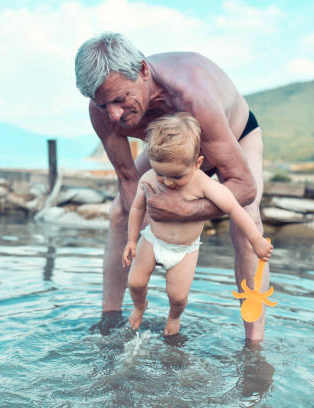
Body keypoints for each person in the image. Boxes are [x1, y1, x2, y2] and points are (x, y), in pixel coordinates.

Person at [75, 32, 269, 343]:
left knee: (246, 225)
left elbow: (244, 187)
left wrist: (184, 211)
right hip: (167, 151)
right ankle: (109, 321)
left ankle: (254, 343)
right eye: (102, 103)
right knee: (119, 214)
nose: (113, 114)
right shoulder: (102, 112)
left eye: (120, 99)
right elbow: (127, 178)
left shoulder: (191, 95)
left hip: (233, 137)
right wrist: (149, 234)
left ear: (142, 71)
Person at [121, 113, 273, 336]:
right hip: (152, 241)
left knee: (178, 296)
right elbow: (137, 208)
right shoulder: (149, 179)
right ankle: (139, 306)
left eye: (176, 177)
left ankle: (174, 316)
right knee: (134, 282)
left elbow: (234, 209)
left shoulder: (203, 184)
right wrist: (132, 240)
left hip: (185, 250)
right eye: (161, 174)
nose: (168, 182)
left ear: (197, 164)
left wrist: (257, 240)